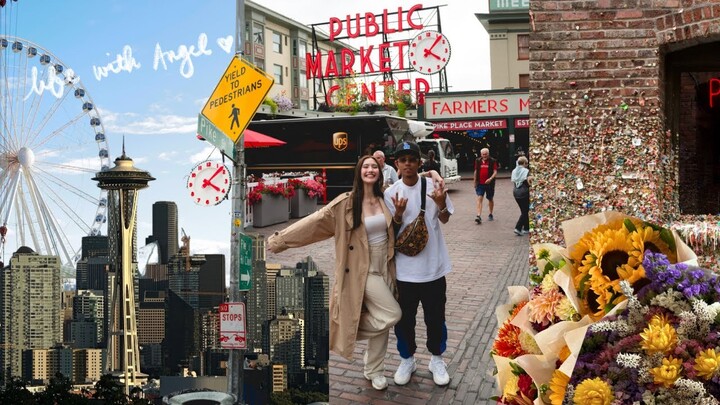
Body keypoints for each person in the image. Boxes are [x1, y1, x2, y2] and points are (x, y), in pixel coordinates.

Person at [267, 157, 444, 391]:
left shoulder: (386, 197)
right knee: (392, 314)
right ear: (359, 172)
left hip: (387, 265)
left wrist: (431, 173)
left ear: (380, 173)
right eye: (365, 166)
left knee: (382, 322)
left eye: (374, 167)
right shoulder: (346, 203)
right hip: (363, 267)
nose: (370, 170)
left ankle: (374, 370)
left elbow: (410, 180)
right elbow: (314, 223)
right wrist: (281, 240)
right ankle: (345, 329)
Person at [384, 141, 454, 387]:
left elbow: (444, 219)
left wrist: (442, 202)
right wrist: (399, 215)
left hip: (434, 268)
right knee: (404, 320)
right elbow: (389, 233)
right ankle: (407, 359)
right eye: (403, 160)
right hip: (404, 272)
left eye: (412, 159)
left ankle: (436, 359)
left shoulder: (433, 186)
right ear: (397, 164)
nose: (407, 164)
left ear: (419, 162)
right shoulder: (390, 192)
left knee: (436, 317)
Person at [472, 147, 498, 224]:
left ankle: (490, 213)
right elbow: (476, 171)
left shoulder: (493, 161)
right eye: (483, 154)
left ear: (488, 154)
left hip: (489, 184)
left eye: (486, 154)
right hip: (480, 183)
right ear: (481, 154)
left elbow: (495, 171)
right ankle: (478, 215)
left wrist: (490, 178)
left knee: (490, 198)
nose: (484, 155)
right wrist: (474, 181)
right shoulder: (478, 161)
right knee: (479, 198)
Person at [511, 156, 530, 235]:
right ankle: (518, 228)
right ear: (525, 163)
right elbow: (528, 182)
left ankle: (526, 228)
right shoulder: (526, 171)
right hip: (524, 193)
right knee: (525, 211)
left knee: (523, 210)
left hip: (516, 192)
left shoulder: (514, 171)